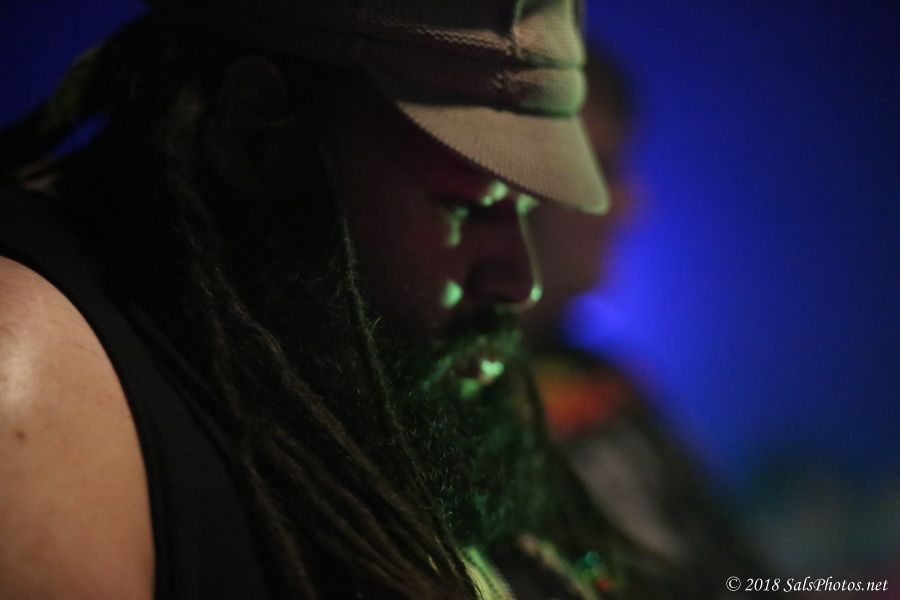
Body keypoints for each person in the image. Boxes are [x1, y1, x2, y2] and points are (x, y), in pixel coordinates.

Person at [0, 2, 676, 599]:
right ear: (256, 132)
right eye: (469, 204)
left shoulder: (327, 363)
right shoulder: (30, 379)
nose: (519, 280)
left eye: (527, 211)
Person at [523, 47, 770, 598]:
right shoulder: (433, 407)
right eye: (603, 168)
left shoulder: (608, 382)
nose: (632, 203)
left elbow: (744, 574)